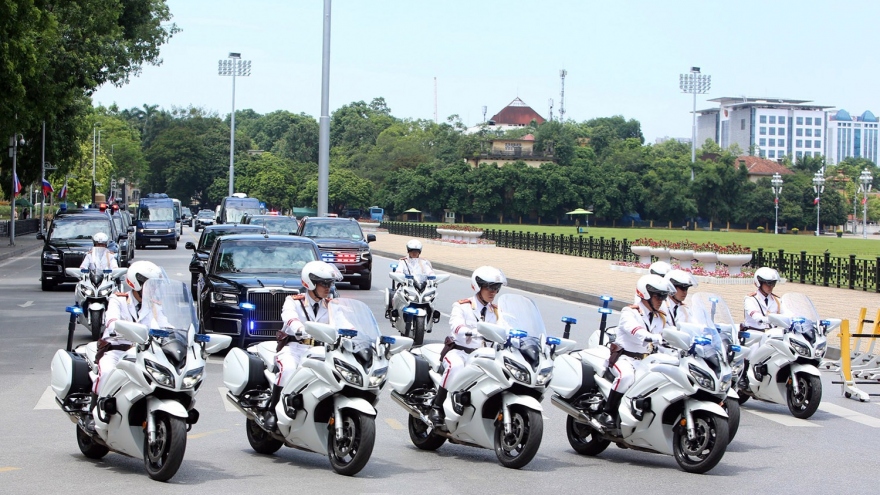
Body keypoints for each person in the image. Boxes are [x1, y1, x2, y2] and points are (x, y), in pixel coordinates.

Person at [264, 260, 343, 430]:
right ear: (311, 283)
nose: (328, 287)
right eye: (324, 283)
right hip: (295, 348)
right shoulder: (293, 301)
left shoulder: (331, 305)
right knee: (289, 371)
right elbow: (290, 317)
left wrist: (354, 333)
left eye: (330, 283)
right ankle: (272, 411)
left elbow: (344, 324)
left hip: (320, 351)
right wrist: (299, 328)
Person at [89, 261, 166, 430]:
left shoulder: (154, 306)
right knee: (107, 373)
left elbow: (165, 325)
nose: (152, 289)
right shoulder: (118, 299)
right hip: (116, 350)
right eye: (148, 285)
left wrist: (180, 334)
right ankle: (93, 414)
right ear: (136, 283)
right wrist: (121, 327)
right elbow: (111, 322)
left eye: (154, 285)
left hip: (143, 353)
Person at [428, 266, 506, 425]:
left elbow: (507, 328)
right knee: (455, 366)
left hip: (485, 356)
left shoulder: (498, 311)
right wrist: (470, 332)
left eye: (496, 288)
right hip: (461, 353)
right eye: (489, 287)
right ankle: (437, 406)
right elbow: (456, 327)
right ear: (478, 286)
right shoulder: (462, 305)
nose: (493, 292)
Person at [599, 274, 672, 428]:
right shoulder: (629, 312)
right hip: (624, 358)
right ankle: (608, 413)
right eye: (658, 296)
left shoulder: (660, 318)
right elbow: (636, 331)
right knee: (626, 377)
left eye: (663, 296)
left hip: (645, 361)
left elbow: (669, 335)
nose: (661, 300)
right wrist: (655, 337)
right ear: (645, 295)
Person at [741, 267, 781, 385]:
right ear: (760, 283)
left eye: (773, 283)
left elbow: (788, 313)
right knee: (753, 351)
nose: (771, 286)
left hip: (771, 334)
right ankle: (744, 376)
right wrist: (762, 318)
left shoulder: (777, 300)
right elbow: (753, 313)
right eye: (768, 283)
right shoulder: (750, 299)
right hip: (754, 333)